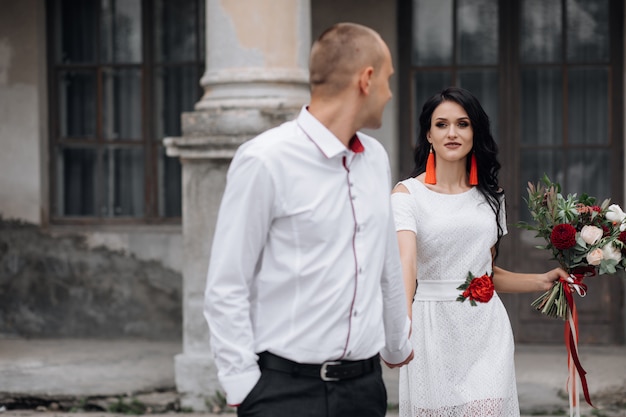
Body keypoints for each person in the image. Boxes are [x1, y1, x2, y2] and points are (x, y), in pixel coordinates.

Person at [204, 22, 414, 417]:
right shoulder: (264, 160)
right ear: (366, 80)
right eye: (387, 80)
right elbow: (227, 284)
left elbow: (386, 264)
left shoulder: (376, 159)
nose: (389, 94)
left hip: (364, 392)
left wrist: (397, 344)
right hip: (283, 393)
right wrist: (244, 387)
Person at [391, 86, 569, 416]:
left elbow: (485, 273)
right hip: (433, 328)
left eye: (463, 123)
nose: (452, 133)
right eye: (441, 124)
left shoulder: (491, 197)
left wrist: (541, 280)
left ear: (475, 132)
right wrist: (401, 326)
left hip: (485, 328)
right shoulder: (407, 195)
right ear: (428, 134)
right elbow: (406, 263)